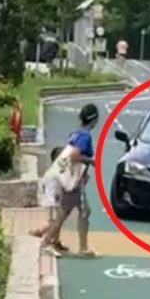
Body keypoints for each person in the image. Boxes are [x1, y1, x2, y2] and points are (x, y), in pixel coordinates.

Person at [41, 104, 100, 258]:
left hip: (70, 178)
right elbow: (74, 156)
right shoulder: (85, 136)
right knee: (80, 212)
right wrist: (90, 160)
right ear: (94, 120)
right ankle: (78, 246)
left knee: (68, 212)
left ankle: (54, 243)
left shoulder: (75, 133)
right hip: (73, 180)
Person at [29, 146, 69, 253]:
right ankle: (45, 242)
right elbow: (46, 184)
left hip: (57, 198)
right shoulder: (54, 172)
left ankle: (55, 241)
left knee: (58, 221)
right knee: (56, 221)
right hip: (52, 199)